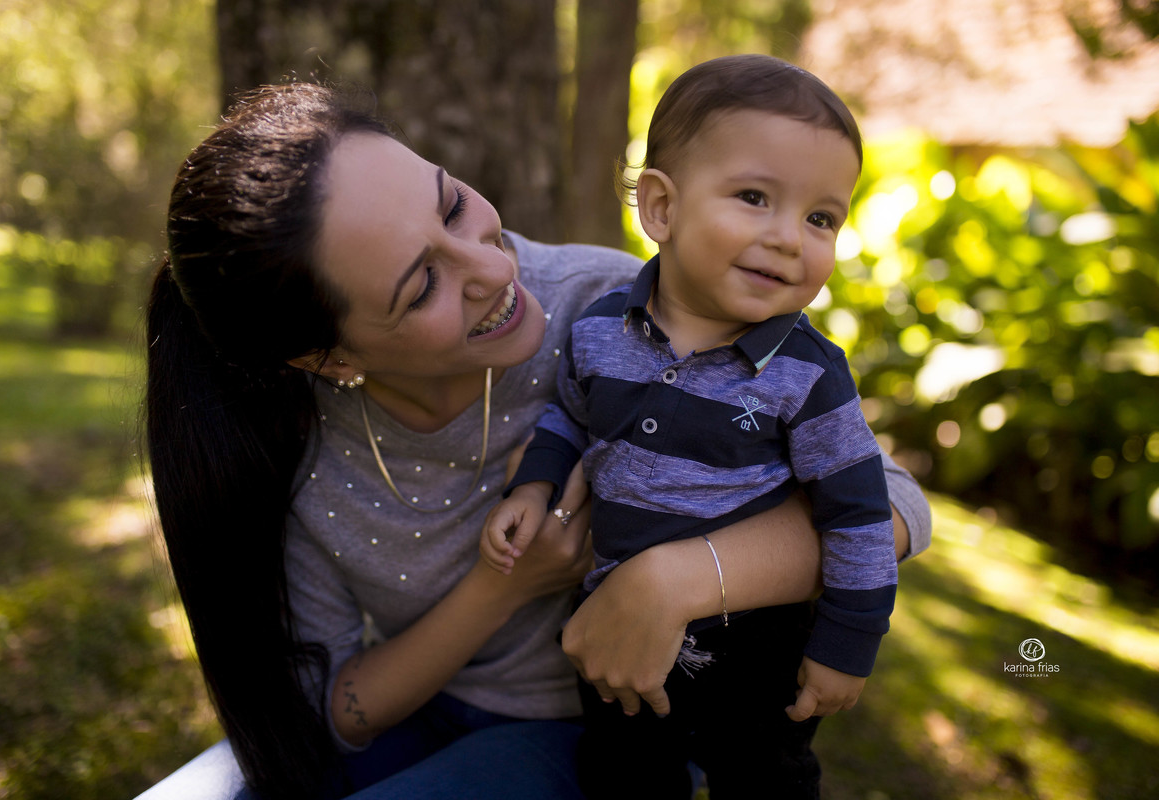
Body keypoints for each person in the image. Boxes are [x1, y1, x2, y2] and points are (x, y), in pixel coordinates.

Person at [137, 79, 931, 800]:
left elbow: (894, 501)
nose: (490, 268)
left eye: (453, 206)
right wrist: (506, 584)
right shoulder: (291, 437)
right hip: (423, 711)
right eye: (423, 284)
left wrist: (672, 581)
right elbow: (332, 709)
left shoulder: (615, 310)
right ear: (331, 359)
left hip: (604, 726)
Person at [480, 54, 893, 798]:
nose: (790, 238)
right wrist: (534, 486)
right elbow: (569, 417)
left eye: (821, 218)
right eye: (755, 197)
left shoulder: (806, 374)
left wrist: (848, 643)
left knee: (765, 779)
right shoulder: (601, 330)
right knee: (624, 774)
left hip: (757, 637)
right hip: (616, 620)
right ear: (661, 208)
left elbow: (859, 512)